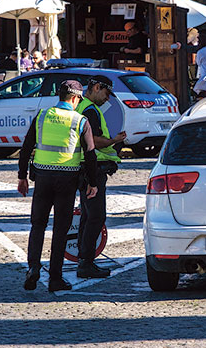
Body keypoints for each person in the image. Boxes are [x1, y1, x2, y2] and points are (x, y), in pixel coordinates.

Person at [17, 79, 99, 292]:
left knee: (38, 225)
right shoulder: (80, 121)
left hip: (42, 177)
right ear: (75, 98)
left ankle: (33, 268)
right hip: (67, 180)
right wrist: (93, 183)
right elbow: (90, 155)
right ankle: (55, 278)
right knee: (60, 229)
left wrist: (22, 176)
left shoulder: (42, 116)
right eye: (79, 99)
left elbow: (26, 148)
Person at [75, 75, 127, 279]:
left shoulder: (81, 106)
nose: (108, 98)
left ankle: (83, 259)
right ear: (96, 87)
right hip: (92, 168)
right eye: (106, 93)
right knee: (96, 217)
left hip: (83, 166)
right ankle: (85, 263)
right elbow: (94, 140)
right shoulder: (90, 109)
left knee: (88, 216)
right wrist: (114, 141)